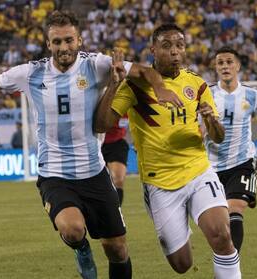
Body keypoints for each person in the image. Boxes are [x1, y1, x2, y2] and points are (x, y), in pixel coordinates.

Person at [0, 11, 181, 279]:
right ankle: (80, 248)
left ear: (79, 40)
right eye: (57, 42)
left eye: (69, 40)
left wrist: (159, 88)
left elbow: (144, 71)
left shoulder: (97, 64)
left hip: (94, 173)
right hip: (54, 174)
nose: (64, 47)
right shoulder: (30, 73)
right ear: (48, 44)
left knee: (117, 249)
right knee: (73, 229)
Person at [94, 23, 241, 278]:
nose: (175, 51)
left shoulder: (197, 85)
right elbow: (102, 125)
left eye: (179, 45)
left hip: (198, 171)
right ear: (153, 50)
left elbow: (217, 138)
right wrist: (115, 84)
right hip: (160, 183)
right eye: (167, 46)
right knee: (181, 264)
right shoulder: (135, 85)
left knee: (222, 235)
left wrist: (212, 122)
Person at [206, 46, 257, 253]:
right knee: (218, 225)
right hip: (210, 166)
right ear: (216, 67)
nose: (225, 66)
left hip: (242, 162)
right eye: (220, 63)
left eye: (229, 62)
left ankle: (231, 266)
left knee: (235, 209)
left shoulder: (252, 95)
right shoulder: (207, 94)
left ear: (237, 66)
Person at [101, 118, 129, 205]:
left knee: (118, 179)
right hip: (94, 143)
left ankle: (117, 213)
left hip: (116, 142)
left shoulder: (125, 105)